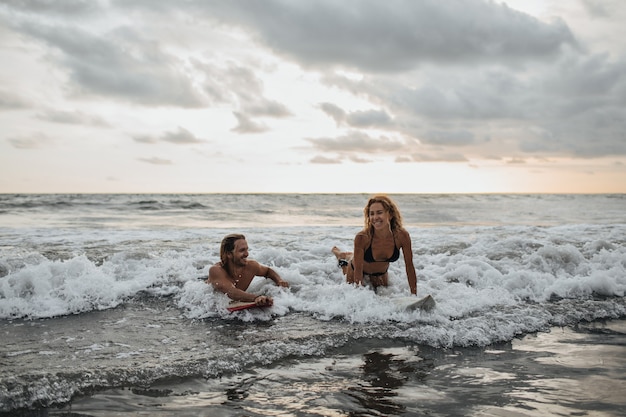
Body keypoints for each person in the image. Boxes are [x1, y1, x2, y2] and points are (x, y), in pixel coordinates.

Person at [332, 195, 417, 294]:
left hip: (380, 274)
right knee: (348, 266)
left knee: (382, 297)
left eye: (379, 212)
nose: (375, 217)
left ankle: (345, 255)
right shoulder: (362, 237)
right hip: (356, 269)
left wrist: (413, 295)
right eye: (371, 214)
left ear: (390, 214)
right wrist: (358, 296)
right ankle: (339, 256)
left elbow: (409, 267)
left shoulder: (402, 236)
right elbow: (358, 273)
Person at [208, 233, 289, 306]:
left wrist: (279, 280)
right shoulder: (216, 270)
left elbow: (268, 271)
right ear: (229, 254)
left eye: (247, 249)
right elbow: (231, 292)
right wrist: (256, 298)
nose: (247, 254)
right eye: (242, 250)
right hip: (209, 305)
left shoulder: (251, 266)